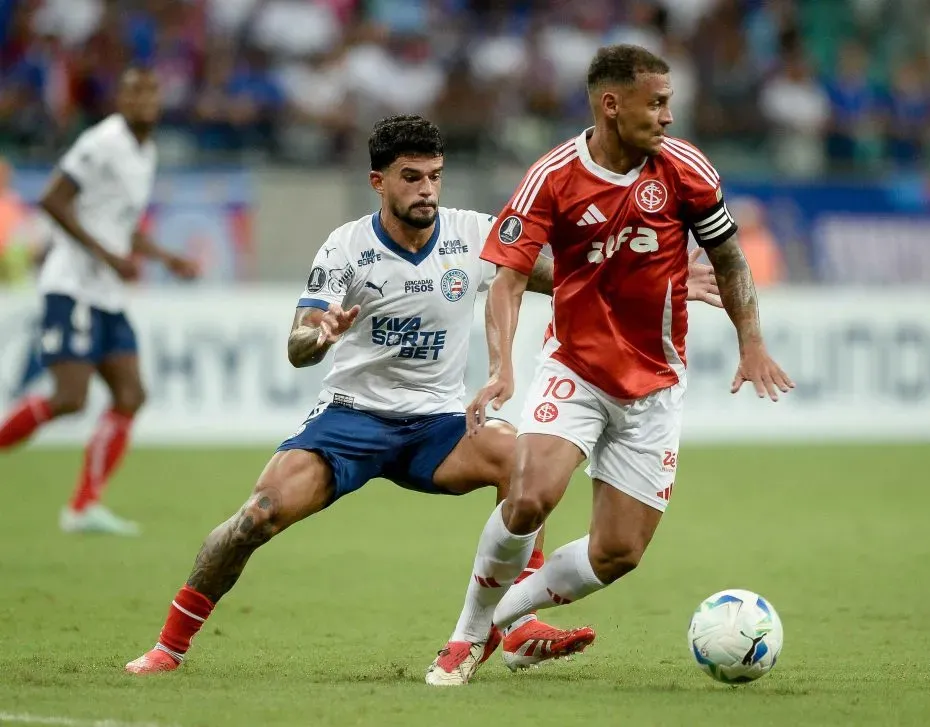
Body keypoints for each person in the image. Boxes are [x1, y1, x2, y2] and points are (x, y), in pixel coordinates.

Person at [123, 114, 723, 676]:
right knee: (255, 518)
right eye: (411, 178)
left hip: (437, 425)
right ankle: (168, 647)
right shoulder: (346, 247)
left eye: (434, 176)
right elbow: (298, 344)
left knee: (527, 462)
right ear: (378, 181)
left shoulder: (472, 235)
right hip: (351, 422)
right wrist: (320, 334)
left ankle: (517, 624)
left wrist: (664, 280)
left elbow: (568, 276)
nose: (426, 190)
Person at [424, 45, 794, 686]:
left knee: (619, 552)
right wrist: (503, 369)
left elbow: (731, 260)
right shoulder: (554, 176)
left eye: (670, 103)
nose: (668, 117)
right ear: (611, 104)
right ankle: (466, 635)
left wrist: (750, 342)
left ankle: (501, 621)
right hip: (576, 370)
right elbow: (508, 280)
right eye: (657, 103)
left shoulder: (687, 171)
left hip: (656, 384)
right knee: (530, 495)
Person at [0, 67, 199, 535]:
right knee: (70, 397)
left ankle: (82, 506)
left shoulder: (145, 151)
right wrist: (108, 256)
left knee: (131, 394)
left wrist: (166, 258)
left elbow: (118, 223)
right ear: (119, 100)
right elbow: (53, 199)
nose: (145, 100)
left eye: (152, 90)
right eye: (134, 92)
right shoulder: (101, 142)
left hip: (106, 293)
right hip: (72, 286)